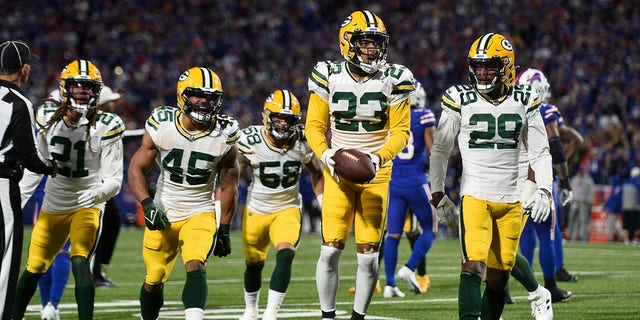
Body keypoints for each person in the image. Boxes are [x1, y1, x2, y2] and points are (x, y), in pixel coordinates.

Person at [429, 33, 553, 320]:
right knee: (473, 264)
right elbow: (440, 149)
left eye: (490, 66)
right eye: (478, 66)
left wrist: (544, 190)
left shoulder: (525, 99)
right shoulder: (459, 97)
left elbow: (540, 151)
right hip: (475, 194)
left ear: (507, 67)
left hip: (513, 197)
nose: (482, 72)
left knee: (500, 276)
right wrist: (437, 194)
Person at [305, 10, 412, 320]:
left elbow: (401, 132)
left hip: (376, 174)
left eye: (376, 43)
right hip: (338, 172)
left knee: (368, 256)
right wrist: (326, 155)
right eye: (365, 42)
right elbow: (313, 125)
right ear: (347, 43)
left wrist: (377, 159)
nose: (372, 49)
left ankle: (358, 317)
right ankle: (328, 315)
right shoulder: (328, 74)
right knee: (330, 248)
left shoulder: (395, 78)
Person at [12, 59, 124, 320]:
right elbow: (34, 166)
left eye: (88, 88)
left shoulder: (107, 124)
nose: (83, 92)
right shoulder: (47, 117)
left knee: (79, 258)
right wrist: (16, 202)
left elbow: (114, 179)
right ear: (65, 88)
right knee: (34, 265)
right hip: (55, 199)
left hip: (89, 201)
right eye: (78, 87)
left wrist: (96, 194)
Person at [128, 66, 240, 320]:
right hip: (164, 209)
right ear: (182, 96)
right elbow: (136, 167)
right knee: (154, 278)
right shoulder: (162, 124)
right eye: (197, 95)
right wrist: (147, 205)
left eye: (211, 97)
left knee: (195, 263)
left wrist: (223, 228)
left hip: (200, 211)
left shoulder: (226, 132)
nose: (204, 102)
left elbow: (228, 185)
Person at [237, 90, 324, 320]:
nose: (284, 124)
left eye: (289, 120)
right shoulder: (251, 140)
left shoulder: (303, 141)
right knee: (253, 263)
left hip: (287, 208)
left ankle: (271, 313)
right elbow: (231, 176)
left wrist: (323, 201)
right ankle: (251, 309)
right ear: (267, 116)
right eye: (279, 118)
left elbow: (317, 172)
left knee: (286, 254)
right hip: (256, 209)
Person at [0, 40, 56, 319]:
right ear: (23, 68)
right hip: (2, 184)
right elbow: (28, 154)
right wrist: (50, 168)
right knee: (6, 260)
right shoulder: (20, 103)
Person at [515, 68, 574, 302]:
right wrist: (566, 181)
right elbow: (557, 146)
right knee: (546, 234)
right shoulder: (545, 109)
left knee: (520, 235)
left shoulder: (512, 106)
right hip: (539, 179)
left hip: (516, 181)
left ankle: (507, 291)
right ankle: (550, 287)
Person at [382, 79, 436, 298]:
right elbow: (434, 152)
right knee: (430, 228)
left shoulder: (389, 117)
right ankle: (409, 268)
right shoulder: (425, 117)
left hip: (394, 182)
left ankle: (389, 284)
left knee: (392, 234)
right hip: (416, 180)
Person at [93, 85, 123, 287]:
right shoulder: (95, 125)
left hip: (102, 183)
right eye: (110, 102)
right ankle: (93, 272)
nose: (114, 105)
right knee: (98, 227)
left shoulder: (106, 123)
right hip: (94, 183)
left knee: (111, 221)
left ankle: (97, 268)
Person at [568, 166, 595, 242]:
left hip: (584, 202)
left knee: (583, 220)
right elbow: (570, 190)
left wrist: (589, 201)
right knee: (572, 220)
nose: (581, 172)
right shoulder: (574, 179)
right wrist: (571, 200)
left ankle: (583, 237)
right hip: (575, 202)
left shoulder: (588, 180)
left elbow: (591, 191)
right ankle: (569, 236)